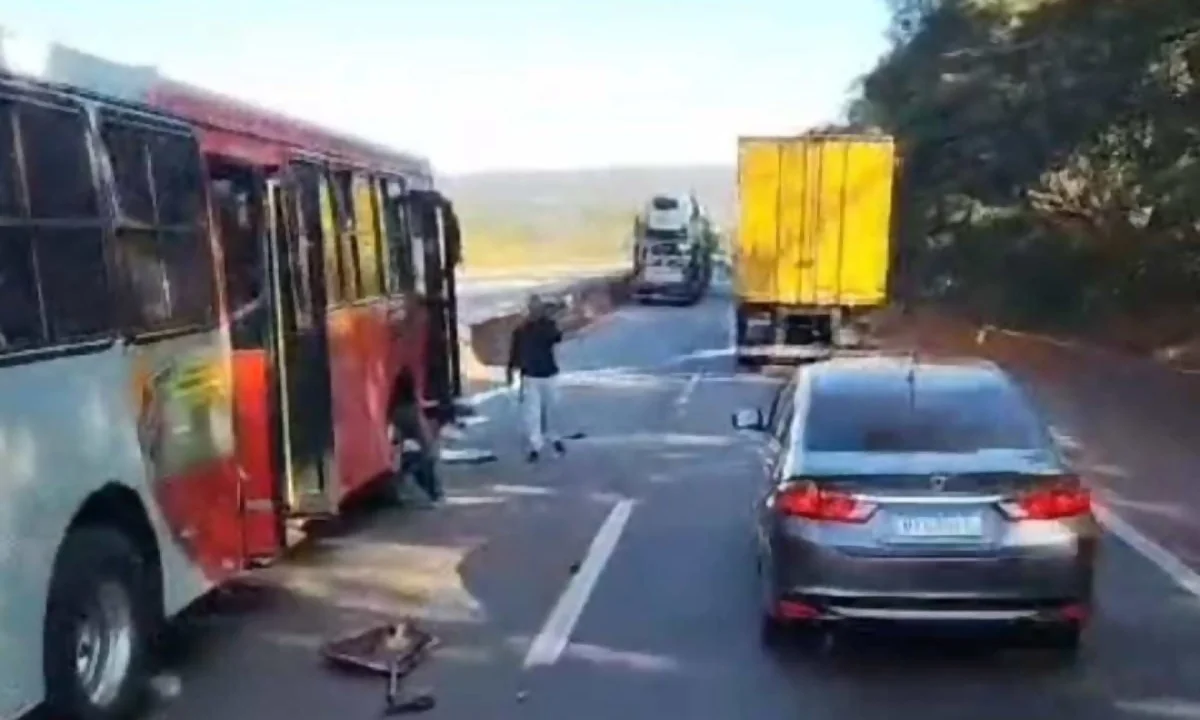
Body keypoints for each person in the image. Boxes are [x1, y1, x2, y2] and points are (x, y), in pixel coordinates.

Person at [507, 294, 567, 462]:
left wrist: (553, 320)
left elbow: (557, 337)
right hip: (530, 375)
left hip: (549, 373)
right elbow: (514, 353)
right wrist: (511, 371)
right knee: (532, 412)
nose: (534, 312)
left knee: (552, 409)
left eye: (537, 309)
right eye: (532, 309)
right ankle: (535, 445)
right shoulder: (521, 330)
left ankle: (554, 437)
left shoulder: (547, 326)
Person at [391, 376, 444, 506]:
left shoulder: (396, 410)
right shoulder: (413, 410)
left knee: (407, 464)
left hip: (403, 450)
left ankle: (401, 492)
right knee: (425, 463)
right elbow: (424, 436)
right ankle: (434, 494)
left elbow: (396, 437)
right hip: (418, 450)